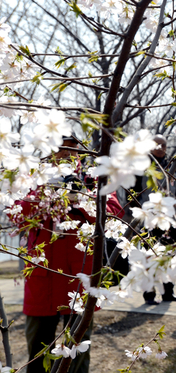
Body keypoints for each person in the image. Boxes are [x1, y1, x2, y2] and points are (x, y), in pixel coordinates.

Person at [12, 137, 123, 373]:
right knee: (38, 350)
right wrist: (46, 196)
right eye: (59, 148)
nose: (65, 154)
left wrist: (82, 199)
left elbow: (114, 214)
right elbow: (15, 213)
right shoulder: (33, 178)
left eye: (72, 149)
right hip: (43, 275)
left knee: (77, 351)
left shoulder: (92, 178)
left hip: (79, 275)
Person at [135, 134, 176, 305]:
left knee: (170, 255)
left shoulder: (172, 166)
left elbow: (175, 192)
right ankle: (149, 294)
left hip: (169, 218)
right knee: (150, 256)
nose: (160, 148)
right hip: (150, 217)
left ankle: (168, 292)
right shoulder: (142, 165)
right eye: (157, 145)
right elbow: (133, 192)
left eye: (164, 145)